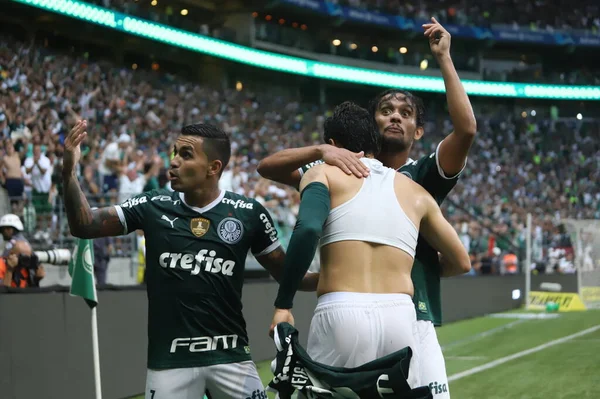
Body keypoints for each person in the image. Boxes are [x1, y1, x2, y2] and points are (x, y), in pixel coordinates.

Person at [258, 18, 476, 398]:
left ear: (418, 132)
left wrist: (444, 59)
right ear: (372, 125)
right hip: (393, 313)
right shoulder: (341, 168)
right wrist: (324, 150)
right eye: (386, 110)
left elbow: (467, 131)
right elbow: (270, 166)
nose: (395, 116)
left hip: (412, 314)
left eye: (406, 114)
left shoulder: (421, 175)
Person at [61, 120, 317, 399]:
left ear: (214, 167)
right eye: (174, 152)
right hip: (169, 364)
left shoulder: (249, 213)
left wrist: (336, 277)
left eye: (185, 154)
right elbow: (84, 226)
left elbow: (291, 276)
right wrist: (69, 173)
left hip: (232, 358)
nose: (173, 162)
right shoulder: (152, 206)